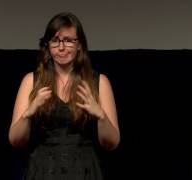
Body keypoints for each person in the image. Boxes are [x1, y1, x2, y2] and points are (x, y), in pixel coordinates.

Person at [9, 12, 120, 180]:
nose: (61, 47)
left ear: (80, 45)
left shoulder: (99, 81)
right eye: (55, 40)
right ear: (47, 45)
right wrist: (28, 113)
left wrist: (101, 115)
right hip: (43, 170)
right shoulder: (31, 81)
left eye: (68, 40)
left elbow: (111, 143)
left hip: (85, 170)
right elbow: (15, 141)